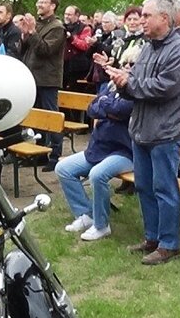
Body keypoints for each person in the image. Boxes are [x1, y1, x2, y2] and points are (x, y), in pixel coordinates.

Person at [107, 0, 180, 266]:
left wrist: (128, 84)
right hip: (143, 129)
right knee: (145, 186)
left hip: (167, 131)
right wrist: (124, 79)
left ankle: (170, 243)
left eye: (147, 16)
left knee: (164, 188)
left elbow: (162, 88)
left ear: (165, 19)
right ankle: (153, 237)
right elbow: (139, 80)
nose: (141, 20)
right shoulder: (148, 47)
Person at [56, 78, 135, 242]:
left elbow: (122, 110)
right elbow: (92, 108)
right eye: (125, 63)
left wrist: (105, 106)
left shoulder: (134, 92)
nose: (126, 67)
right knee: (63, 168)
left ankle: (101, 226)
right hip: (100, 149)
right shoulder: (110, 86)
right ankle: (86, 214)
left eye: (131, 65)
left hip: (124, 152)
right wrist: (108, 107)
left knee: (97, 174)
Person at [20, 0, 66, 171]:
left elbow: (45, 50)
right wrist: (25, 35)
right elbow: (24, 50)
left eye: (43, 2)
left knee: (51, 117)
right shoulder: (37, 24)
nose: (39, 5)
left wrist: (32, 32)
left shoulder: (57, 27)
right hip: (32, 78)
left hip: (47, 79)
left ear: (52, 6)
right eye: (38, 2)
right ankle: (39, 154)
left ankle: (55, 155)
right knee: (36, 118)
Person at [62, 5, 93, 89]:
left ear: (77, 15)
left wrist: (71, 38)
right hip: (62, 65)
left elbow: (85, 45)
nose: (66, 17)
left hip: (77, 67)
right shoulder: (61, 27)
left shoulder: (85, 28)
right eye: (65, 14)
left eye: (69, 15)